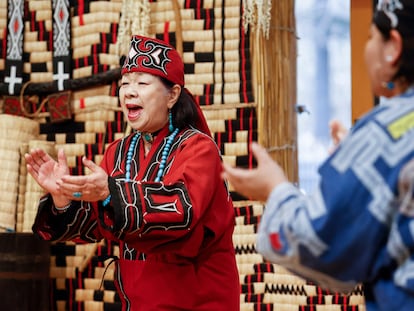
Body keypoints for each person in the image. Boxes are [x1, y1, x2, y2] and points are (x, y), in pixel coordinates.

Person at [221, 1, 414, 310]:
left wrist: (275, 189)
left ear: (393, 47)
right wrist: (358, 157)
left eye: (370, 38)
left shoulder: (388, 131)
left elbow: (321, 245)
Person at [25, 35, 240, 311]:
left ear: (172, 95)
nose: (128, 91)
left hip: (199, 302)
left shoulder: (199, 149)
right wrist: (63, 197)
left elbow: (181, 210)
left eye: (142, 82)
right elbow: (96, 224)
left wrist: (110, 192)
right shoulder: (118, 152)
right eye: (124, 83)